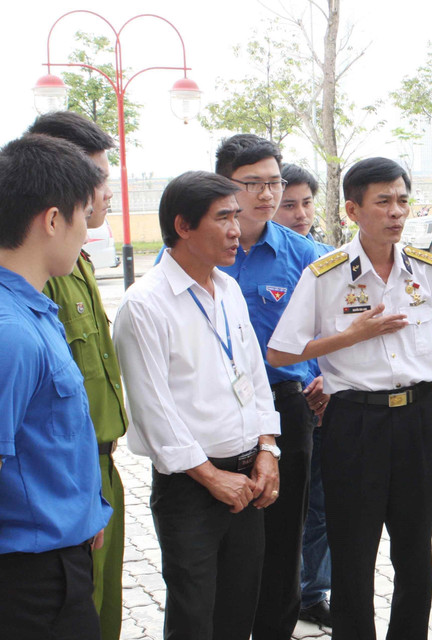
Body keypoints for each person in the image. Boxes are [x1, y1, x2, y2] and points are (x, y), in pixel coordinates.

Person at [267, 157, 432, 640]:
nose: (396, 212)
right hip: (354, 423)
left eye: (402, 200)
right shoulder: (325, 274)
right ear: (353, 210)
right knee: (353, 552)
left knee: (415, 551)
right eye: (383, 202)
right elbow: (280, 350)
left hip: (415, 418)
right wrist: (350, 336)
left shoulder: (428, 270)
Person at [114, 171, 281, 640]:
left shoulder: (227, 290)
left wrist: (268, 448)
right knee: (194, 614)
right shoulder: (144, 305)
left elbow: (253, 373)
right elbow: (153, 410)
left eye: (237, 216)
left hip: (247, 476)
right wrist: (210, 477)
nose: (236, 230)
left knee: (237, 608)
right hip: (191, 488)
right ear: (183, 225)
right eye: (223, 217)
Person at [0, 133, 112, 640]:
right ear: (51, 220)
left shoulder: (36, 309)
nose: (86, 233)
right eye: (83, 217)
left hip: (60, 555)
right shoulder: (12, 333)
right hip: (29, 581)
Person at [213, 135, 321, 640]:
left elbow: (331, 325)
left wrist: (321, 375)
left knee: (283, 538)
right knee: (218, 540)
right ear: (226, 184)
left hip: (284, 406)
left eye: (274, 182)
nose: (267, 194)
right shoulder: (206, 250)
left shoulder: (305, 256)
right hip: (213, 410)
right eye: (252, 183)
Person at [26, 111, 128, 640]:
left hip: (100, 472)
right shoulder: (31, 281)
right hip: (62, 485)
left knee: (101, 613)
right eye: (94, 179)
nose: (102, 193)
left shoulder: (77, 262)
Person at [276, 162, 334, 629]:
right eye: (288, 204)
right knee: (277, 512)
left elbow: (340, 329)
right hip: (272, 401)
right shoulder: (232, 258)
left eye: (306, 203)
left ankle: (313, 593)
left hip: (317, 398)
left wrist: (325, 378)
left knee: (319, 506)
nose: (300, 213)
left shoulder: (324, 257)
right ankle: (275, 596)